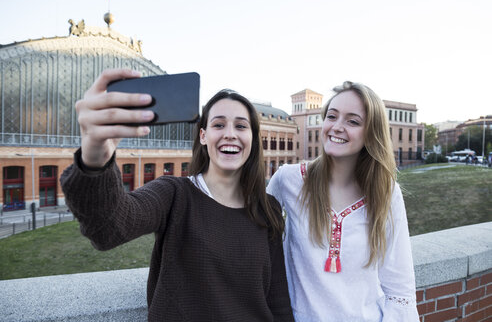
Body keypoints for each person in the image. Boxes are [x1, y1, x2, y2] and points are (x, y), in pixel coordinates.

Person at [60, 69, 294, 322]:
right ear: (203, 136)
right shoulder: (175, 194)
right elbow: (109, 228)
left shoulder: (266, 208)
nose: (230, 133)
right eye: (218, 124)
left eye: (241, 126)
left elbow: (277, 299)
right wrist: (95, 156)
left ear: (252, 138)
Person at [267, 81, 419, 321]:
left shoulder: (386, 193)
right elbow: (253, 235)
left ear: (371, 132)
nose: (337, 127)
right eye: (332, 116)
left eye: (353, 121)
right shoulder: (288, 180)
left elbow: (399, 287)